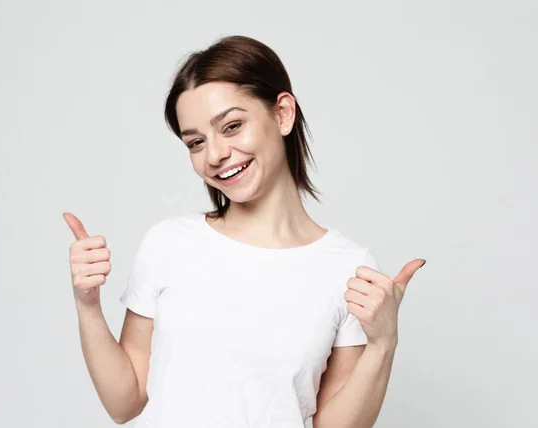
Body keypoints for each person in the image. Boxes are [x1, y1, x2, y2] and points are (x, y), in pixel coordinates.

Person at [63, 35, 426, 428]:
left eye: (232, 126)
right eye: (196, 142)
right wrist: (87, 305)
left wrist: (383, 342)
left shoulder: (348, 268)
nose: (215, 155)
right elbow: (125, 402)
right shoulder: (168, 244)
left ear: (283, 113)